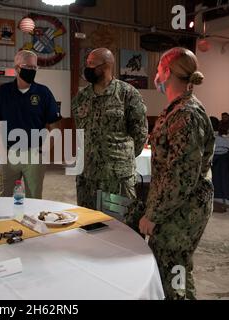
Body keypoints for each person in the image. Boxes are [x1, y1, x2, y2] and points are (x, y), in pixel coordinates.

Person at [138, 48, 215, 300]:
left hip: (182, 209)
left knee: (173, 270)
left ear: (167, 72)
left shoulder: (186, 115)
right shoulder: (177, 108)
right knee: (174, 266)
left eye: (159, 68)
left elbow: (181, 177)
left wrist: (154, 214)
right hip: (177, 206)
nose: (156, 74)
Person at [71, 48, 148, 209]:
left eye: (92, 64)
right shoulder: (81, 97)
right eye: (87, 63)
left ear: (106, 66)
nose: (87, 68)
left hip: (117, 177)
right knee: (89, 225)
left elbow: (140, 133)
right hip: (87, 176)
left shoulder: (127, 94)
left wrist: (121, 159)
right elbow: (79, 130)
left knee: (120, 224)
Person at [0, 50, 60, 199]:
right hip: (9, 153)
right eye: (28, 66)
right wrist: (1, 149)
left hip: (34, 154)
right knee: (2, 197)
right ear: (17, 68)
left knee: (34, 198)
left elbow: (55, 128)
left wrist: (43, 151)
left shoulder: (43, 93)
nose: (32, 70)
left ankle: (31, 222)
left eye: (35, 67)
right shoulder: (4, 92)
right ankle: (5, 223)